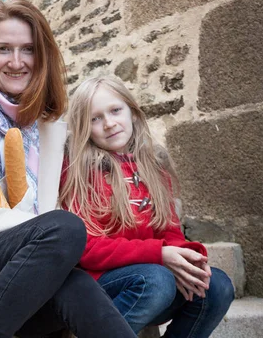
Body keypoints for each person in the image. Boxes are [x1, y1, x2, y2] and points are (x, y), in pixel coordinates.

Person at [0, 0, 135, 338]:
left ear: (41, 55)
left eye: (28, 50)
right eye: (4, 49)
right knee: (65, 228)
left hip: (27, 278)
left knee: (74, 283)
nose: (17, 62)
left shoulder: (50, 125)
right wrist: (35, 227)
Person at [60, 76, 234, 337]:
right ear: (84, 128)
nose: (109, 123)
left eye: (115, 110)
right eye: (95, 119)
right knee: (156, 280)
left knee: (216, 285)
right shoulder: (78, 171)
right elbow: (87, 249)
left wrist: (188, 259)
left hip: (149, 278)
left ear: (132, 112)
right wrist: (160, 254)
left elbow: (170, 231)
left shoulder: (153, 166)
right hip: (99, 286)